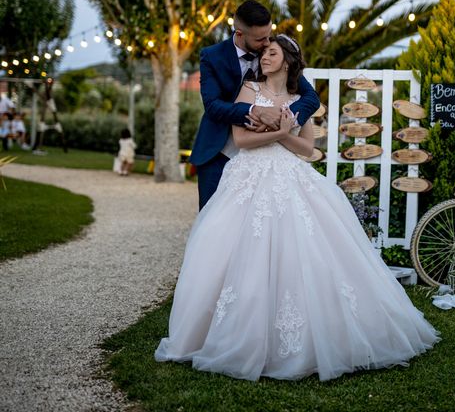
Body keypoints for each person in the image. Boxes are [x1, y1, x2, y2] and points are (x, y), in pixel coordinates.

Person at [155, 35, 439, 382]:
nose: (265, 58)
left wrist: (283, 129)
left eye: (272, 53)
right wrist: (278, 132)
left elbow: (306, 148)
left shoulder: (300, 100)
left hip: (291, 174)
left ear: (288, 60)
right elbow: (242, 140)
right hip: (249, 175)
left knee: (305, 248)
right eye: (263, 54)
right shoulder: (249, 89)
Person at [190, 0, 320, 210]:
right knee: (213, 219)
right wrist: (255, 110)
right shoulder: (212, 56)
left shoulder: (272, 55)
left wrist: (280, 119)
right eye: (261, 38)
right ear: (240, 34)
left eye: (269, 34)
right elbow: (213, 106)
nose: (267, 42)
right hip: (218, 150)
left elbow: (311, 98)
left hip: (264, 156)